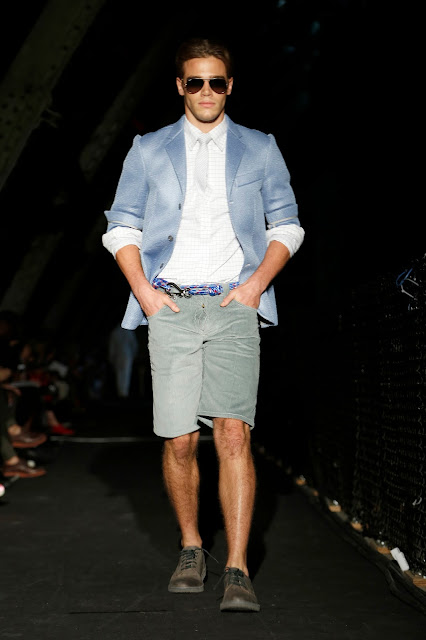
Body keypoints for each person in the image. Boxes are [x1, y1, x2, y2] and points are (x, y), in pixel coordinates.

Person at [102, 37, 304, 612]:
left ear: (230, 86)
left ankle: (237, 567)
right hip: (170, 307)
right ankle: (192, 546)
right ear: (180, 86)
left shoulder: (260, 147)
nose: (207, 91)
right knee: (180, 439)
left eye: (217, 81)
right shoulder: (148, 149)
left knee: (233, 433)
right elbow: (121, 226)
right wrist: (145, 293)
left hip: (234, 306)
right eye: (196, 81)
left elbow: (287, 225)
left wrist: (255, 286)